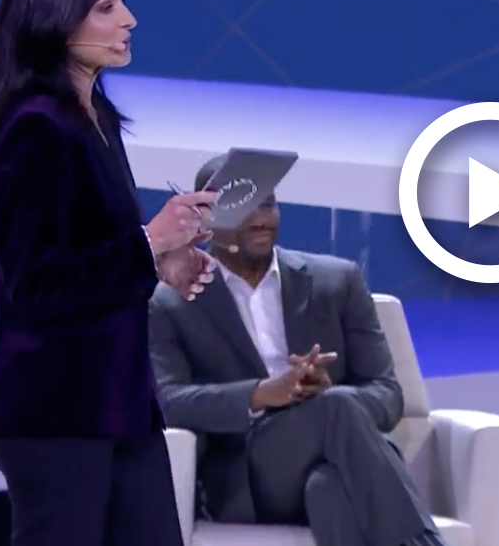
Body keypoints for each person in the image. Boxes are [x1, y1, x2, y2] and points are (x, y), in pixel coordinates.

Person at [0, 0, 219, 546]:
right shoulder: (32, 126)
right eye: (107, 7)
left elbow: (95, 251)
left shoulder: (96, 117)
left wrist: (163, 262)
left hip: (118, 400)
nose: (129, 19)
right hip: (54, 408)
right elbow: (37, 285)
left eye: (122, 2)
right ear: (55, 18)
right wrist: (149, 242)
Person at [148, 154, 450, 546]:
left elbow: (388, 396)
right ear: (205, 221)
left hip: (333, 461)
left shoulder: (337, 282)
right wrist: (262, 393)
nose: (260, 219)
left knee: (329, 488)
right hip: (246, 478)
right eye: (243, 207)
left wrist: (323, 397)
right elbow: (168, 402)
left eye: (268, 204)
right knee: (336, 409)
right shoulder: (172, 300)